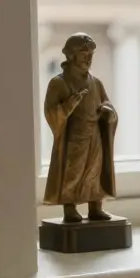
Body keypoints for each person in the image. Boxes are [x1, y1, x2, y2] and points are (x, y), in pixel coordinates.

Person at [43, 32, 118, 223]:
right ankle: (70, 208)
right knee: (72, 173)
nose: (88, 59)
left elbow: (107, 105)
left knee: (95, 172)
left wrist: (108, 113)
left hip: (95, 136)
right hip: (73, 139)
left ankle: (95, 206)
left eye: (91, 55)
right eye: (84, 54)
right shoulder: (58, 83)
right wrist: (68, 106)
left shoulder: (96, 83)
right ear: (71, 55)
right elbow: (50, 112)